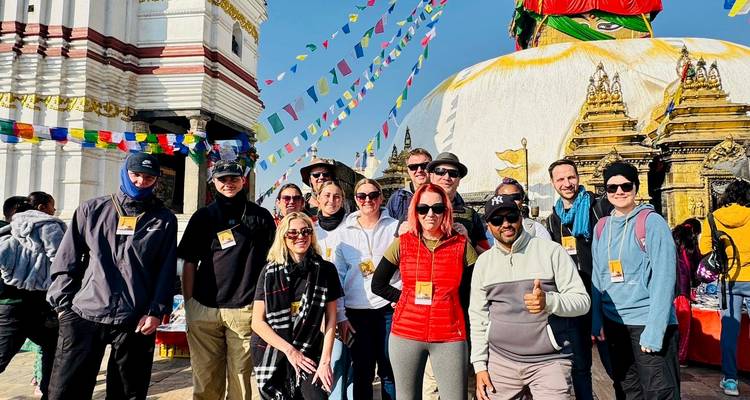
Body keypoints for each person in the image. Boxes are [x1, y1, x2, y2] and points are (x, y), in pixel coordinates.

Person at [46, 153, 177, 400]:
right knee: (67, 390)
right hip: (84, 313)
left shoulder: (164, 219)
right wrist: (63, 306)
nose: (141, 181)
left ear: (156, 180)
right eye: (136, 175)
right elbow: (68, 258)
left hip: (135, 318)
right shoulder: (91, 209)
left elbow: (166, 270)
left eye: (148, 177)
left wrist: (156, 311)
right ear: (125, 173)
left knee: (128, 392)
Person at [471, 194, 590, 400]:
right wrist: (480, 366)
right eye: (497, 221)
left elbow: (582, 301)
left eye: (511, 217)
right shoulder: (484, 263)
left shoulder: (552, 251)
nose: (506, 224)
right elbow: (478, 317)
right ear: (489, 226)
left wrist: (549, 301)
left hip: (549, 361)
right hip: (501, 361)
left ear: (521, 217)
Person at [178, 160, 275, 400]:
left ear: (243, 181)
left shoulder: (260, 217)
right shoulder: (203, 217)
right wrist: (190, 303)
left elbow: (272, 262)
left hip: (244, 307)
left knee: (241, 380)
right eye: (223, 179)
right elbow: (189, 262)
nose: (228, 183)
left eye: (234, 178)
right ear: (214, 182)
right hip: (204, 307)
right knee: (205, 378)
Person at [373, 183, 476, 399]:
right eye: (423, 208)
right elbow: (378, 283)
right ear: (415, 211)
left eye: (437, 208)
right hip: (406, 333)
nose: (430, 214)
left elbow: (470, 295)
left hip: (449, 334)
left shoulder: (461, 245)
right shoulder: (403, 243)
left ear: (446, 211)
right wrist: (404, 298)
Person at [591, 161, 679, 399]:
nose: (619, 192)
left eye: (625, 185)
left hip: (647, 321)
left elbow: (664, 278)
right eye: (612, 187)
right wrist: (597, 318)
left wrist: (655, 330)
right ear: (605, 192)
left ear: (636, 188)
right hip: (614, 322)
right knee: (627, 389)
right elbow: (598, 277)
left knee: (659, 391)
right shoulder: (601, 227)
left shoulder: (652, 222)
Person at [545, 158, 616, 400]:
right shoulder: (555, 219)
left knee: (615, 363)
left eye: (571, 177)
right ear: (553, 183)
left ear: (578, 177)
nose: (567, 184)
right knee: (579, 364)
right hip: (574, 299)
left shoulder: (599, 207)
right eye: (561, 179)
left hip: (606, 296)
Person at [251, 212, 342, 399]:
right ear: (283, 237)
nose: (300, 237)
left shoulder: (325, 270)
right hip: (274, 351)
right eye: (292, 233)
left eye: (305, 231)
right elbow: (257, 322)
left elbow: (332, 319)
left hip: (310, 350)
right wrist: (290, 351)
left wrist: (325, 361)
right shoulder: (268, 272)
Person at [334, 179, 398, 400]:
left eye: (373, 195)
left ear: (381, 198)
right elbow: (339, 277)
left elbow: (406, 264)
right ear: (356, 200)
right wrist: (341, 315)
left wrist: (399, 296)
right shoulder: (344, 232)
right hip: (357, 310)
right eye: (362, 196)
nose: (368, 200)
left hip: (388, 309)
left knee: (390, 369)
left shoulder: (395, 227)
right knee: (362, 371)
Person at [0, 193, 65, 399]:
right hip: (16, 307)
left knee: (54, 348)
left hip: (35, 306)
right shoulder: (8, 235)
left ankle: (49, 392)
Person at [698, 178, 750, 397]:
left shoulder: (713, 218)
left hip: (728, 280)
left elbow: (703, 249)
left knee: (729, 330)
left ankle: (730, 380)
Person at [312, 181, 352, 400]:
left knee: (346, 364)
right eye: (326, 195)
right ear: (318, 199)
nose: (331, 200)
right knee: (330, 363)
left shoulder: (351, 226)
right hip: (319, 309)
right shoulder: (310, 231)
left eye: (337, 196)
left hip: (350, 305)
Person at [427, 152, 490, 256]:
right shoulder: (415, 210)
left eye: (453, 173)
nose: (446, 177)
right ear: (431, 176)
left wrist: (468, 240)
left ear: (459, 180)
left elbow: (487, 256)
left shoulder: (470, 215)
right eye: (440, 171)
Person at [672, 219, 701, 367]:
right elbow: (697, 267)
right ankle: (681, 357)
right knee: (684, 325)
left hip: (668, 286)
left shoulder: (671, 237)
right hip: (683, 288)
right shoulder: (691, 245)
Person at [386, 148, 432, 221]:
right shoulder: (398, 198)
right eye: (413, 167)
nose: (419, 170)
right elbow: (387, 227)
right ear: (408, 170)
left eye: (424, 165)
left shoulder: (443, 194)